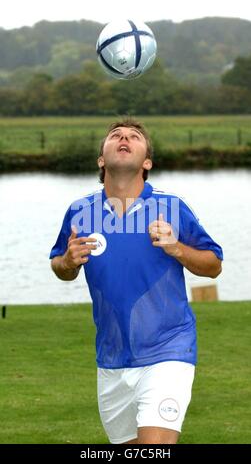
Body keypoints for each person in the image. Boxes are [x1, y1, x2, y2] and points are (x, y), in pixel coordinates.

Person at [50, 117, 223, 444]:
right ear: (102, 158)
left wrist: (176, 248)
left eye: (134, 136)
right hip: (112, 360)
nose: (124, 138)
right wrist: (68, 262)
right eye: (115, 135)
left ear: (147, 161)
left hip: (169, 350)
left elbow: (213, 265)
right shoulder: (80, 211)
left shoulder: (170, 207)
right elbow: (59, 266)